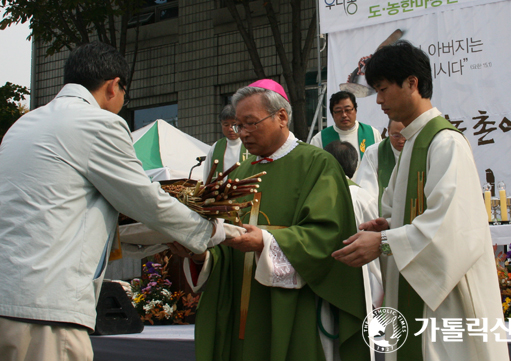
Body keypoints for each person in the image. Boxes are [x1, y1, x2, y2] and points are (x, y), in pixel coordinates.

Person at [0, 41, 226, 361]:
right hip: (46, 311)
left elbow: (67, 214)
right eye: (124, 94)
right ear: (113, 86)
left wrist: (150, 243)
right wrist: (213, 232)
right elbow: (145, 200)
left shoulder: (25, 124)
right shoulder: (98, 122)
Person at [332, 41, 510, 361]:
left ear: (412, 83)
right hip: (419, 292)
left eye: (383, 89)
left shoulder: (445, 144)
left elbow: (451, 230)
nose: (380, 100)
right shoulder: (413, 144)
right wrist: (387, 224)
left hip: (446, 300)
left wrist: (385, 241)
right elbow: (413, 215)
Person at [169, 79, 370, 361]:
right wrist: (200, 254)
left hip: (293, 308)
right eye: (238, 125)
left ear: (282, 117)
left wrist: (264, 241)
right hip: (239, 311)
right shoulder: (238, 174)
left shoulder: (316, 164)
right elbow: (223, 245)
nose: (242, 134)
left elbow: (328, 236)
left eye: (250, 123)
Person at [324, 140, 383, 311]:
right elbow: (375, 238)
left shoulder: (314, 193)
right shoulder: (363, 197)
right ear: (355, 166)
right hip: (359, 271)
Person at [310, 90, 382, 178]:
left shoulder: (372, 133)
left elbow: (380, 166)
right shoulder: (319, 139)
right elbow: (315, 171)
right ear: (332, 114)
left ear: (355, 110)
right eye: (338, 111)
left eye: (348, 110)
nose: (344, 115)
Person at [355, 119, 405, 215]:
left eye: (405, 135)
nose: (401, 140)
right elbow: (367, 193)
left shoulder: (419, 150)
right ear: (388, 130)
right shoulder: (374, 152)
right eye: (396, 136)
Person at [203, 104, 248, 181]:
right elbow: (207, 174)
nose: (230, 129)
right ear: (221, 124)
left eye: (234, 124)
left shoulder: (249, 144)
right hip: (221, 192)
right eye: (226, 125)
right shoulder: (216, 147)